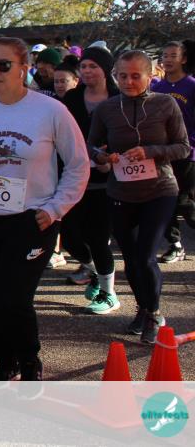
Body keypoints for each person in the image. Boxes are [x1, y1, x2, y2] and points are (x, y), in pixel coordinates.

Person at [0, 37, 88, 382]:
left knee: (11, 299)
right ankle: (5, 359)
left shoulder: (51, 111)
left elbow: (79, 164)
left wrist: (55, 208)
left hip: (31, 219)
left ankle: (28, 360)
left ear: (24, 68)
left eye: (3, 65)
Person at [89, 50, 191, 343]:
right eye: (122, 76)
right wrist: (103, 156)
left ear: (150, 76)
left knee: (146, 256)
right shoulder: (107, 108)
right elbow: (91, 145)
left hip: (159, 190)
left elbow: (183, 147)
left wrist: (150, 151)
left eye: (136, 76)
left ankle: (154, 313)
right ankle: (143, 308)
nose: (128, 82)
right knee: (131, 259)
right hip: (121, 191)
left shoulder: (165, 103)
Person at [60, 46, 119, 313]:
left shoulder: (118, 98)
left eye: (93, 66)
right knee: (70, 238)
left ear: (105, 70)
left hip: (107, 180)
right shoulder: (72, 98)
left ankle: (109, 294)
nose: (86, 71)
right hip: (74, 175)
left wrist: (109, 157)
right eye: (83, 66)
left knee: (98, 238)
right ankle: (95, 272)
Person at [152, 40, 195, 263]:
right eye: (164, 55)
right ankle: (175, 244)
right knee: (164, 199)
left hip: (187, 154)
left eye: (173, 55)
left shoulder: (191, 86)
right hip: (162, 153)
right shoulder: (157, 88)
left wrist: (190, 144)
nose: (167, 60)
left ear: (184, 59)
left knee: (185, 201)